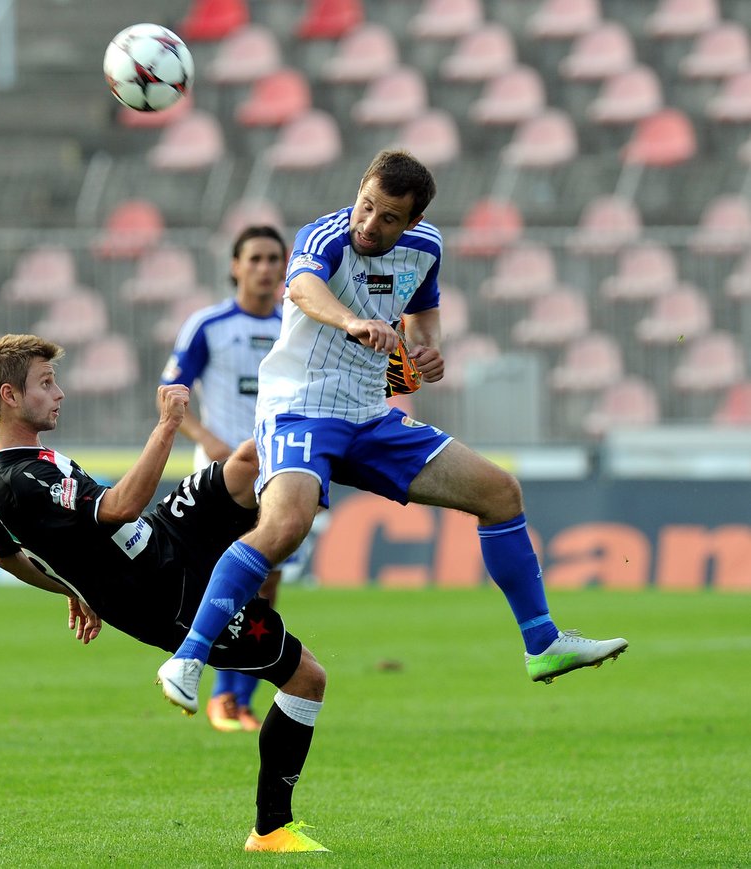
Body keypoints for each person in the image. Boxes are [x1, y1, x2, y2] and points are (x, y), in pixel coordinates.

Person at [157, 149, 628, 714]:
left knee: (500, 493)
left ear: (413, 223)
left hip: (368, 414)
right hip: (300, 406)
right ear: (358, 191)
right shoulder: (323, 235)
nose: (368, 224)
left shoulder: (426, 249)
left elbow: (423, 315)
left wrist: (428, 350)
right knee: (285, 526)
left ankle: (543, 643)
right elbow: (303, 288)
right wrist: (354, 320)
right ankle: (188, 656)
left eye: (387, 218)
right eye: (366, 206)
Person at [0, 333, 331, 853]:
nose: (60, 392)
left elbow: (1, 552)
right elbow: (118, 506)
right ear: (9, 396)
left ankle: (336, 452)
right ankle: (272, 829)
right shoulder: (19, 480)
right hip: (167, 598)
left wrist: (72, 587)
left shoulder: (14, 466)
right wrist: (167, 426)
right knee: (306, 679)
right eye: (46, 383)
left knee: (252, 458)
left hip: (167, 534)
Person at [160, 224, 288, 734]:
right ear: (235, 266)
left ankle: (238, 696)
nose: (265, 268)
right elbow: (170, 390)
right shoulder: (208, 325)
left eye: (274, 259)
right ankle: (220, 695)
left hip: (280, 472)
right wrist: (208, 439)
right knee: (230, 579)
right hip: (221, 478)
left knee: (268, 585)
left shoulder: (294, 326)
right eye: (254, 258)